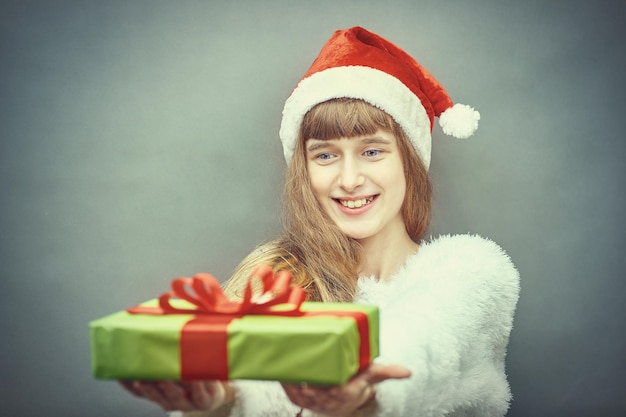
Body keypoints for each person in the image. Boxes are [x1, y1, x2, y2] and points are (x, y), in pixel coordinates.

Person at [121, 26, 520, 417]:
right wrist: (216, 401)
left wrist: (364, 399)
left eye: (372, 151)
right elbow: (247, 389)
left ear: (409, 162)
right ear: (305, 170)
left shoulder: (471, 271)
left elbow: (422, 348)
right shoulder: (276, 276)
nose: (349, 180)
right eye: (325, 155)